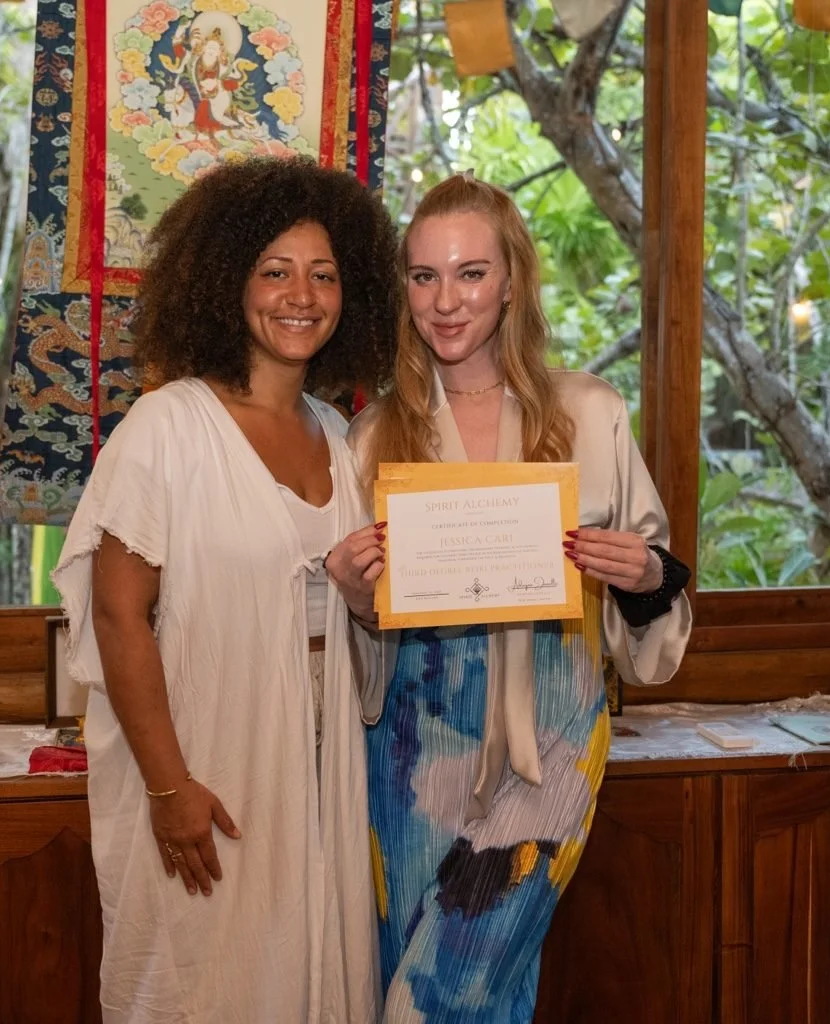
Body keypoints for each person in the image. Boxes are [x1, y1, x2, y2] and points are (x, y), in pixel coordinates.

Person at [326, 173, 693, 1022]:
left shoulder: (590, 411)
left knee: (435, 995)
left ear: (512, 282)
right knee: (436, 978)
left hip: (556, 732)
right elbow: (360, 634)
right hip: (416, 744)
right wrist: (351, 594)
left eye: (471, 273)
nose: (446, 301)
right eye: (424, 277)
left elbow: (659, 587)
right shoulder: (375, 432)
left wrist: (641, 576)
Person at [52, 158, 397, 1024]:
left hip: (322, 773)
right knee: (206, 982)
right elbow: (117, 614)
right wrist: (170, 791)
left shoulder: (338, 435)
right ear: (225, 283)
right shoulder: (168, 428)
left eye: (323, 274)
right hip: (211, 775)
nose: (301, 294)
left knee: (314, 979)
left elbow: (363, 604)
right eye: (274, 271)